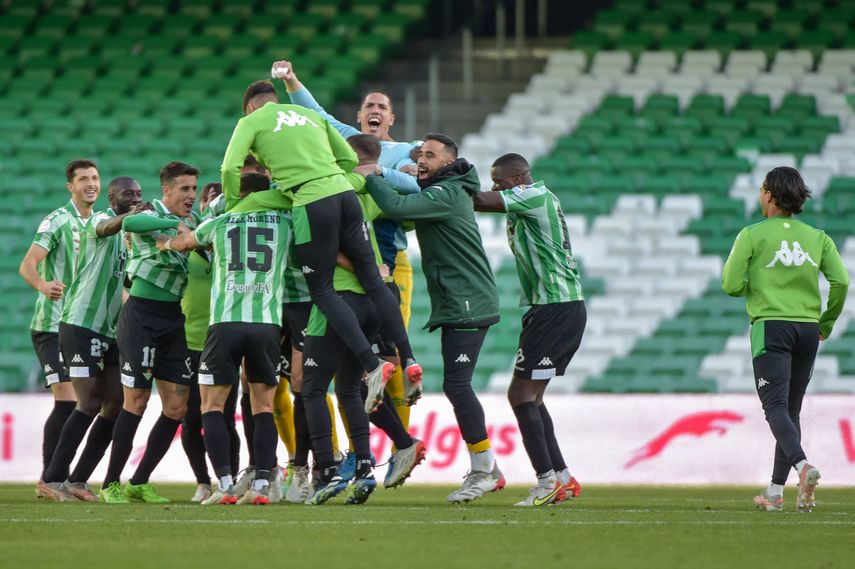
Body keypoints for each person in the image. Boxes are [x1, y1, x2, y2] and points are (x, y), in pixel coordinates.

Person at [221, 79, 421, 410]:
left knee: (323, 290)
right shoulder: (307, 115)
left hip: (311, 201)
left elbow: (229, 167)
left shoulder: (251, 122)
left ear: (250, 107)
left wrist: (231, 205)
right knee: (373, 280)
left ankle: (373, 367)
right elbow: (345, 155)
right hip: (344, 194)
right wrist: (335, 180)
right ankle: (410, 358)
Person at [362, 134, 504, 503]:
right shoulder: (445, 189)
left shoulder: (446, 194)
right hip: (460, 301)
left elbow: (396, 206)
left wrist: (371, 176)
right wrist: (383, 170)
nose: (422, 160)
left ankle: (482, 470)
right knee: (458, 385)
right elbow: (407, 192)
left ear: (449, 161)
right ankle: (490, 466)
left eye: (431, 155)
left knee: (458, 386)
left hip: (468, 301)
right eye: (420, 153)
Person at [280, 60, 423, 427]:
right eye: (369, 107)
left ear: (392, 118)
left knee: (384, 351)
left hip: (388, 258)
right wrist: (293, 81)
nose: (375, 111)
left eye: (382, 108)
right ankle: (365, 454)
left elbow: (419, 185)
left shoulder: (408, 150)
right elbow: (315, 112)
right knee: (350, 368)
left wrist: (382, 171)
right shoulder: (346, 140)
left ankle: (400, 437)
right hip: (351, 259)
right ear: (359, 117)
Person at [302, 137, 424, 505]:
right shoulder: (367, 193)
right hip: (376, 299)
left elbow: (328, 247)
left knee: (311, 388)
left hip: (340, 300)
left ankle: (326, 471)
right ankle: (366, 469)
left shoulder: (326, 193)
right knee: (349, 389)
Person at [722, 166, 849, 512]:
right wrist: (827, 322)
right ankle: (776, 492)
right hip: (808, 328)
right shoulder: (818, 237)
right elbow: (841, 283)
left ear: (768, 194)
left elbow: (731, 284)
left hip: (771, 326)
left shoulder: (752, 234)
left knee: (774, 407)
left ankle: (802, 466)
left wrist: (756, 287)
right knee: (791, 410)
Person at [160, 172, 290, 506]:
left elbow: (184, 243)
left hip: (225, 323)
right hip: (266, 324)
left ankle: (227, 484)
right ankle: (262, 484)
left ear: (238, 195)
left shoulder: (220, 222)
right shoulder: (285, 223)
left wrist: (165, 242)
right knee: (263, 406)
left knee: (211, 406)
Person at [472, 153, 585, 506]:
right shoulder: (530, 202)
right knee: (532, 396)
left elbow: (478, 200)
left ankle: (546, 481)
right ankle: (562, 477)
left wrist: (450, 176)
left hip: (556, 307)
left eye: (500, 181)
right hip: (553, 307)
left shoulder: (535, 195)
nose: (495, 187)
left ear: (519, 178)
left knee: (520, 395)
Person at [37, 177, 146, 501]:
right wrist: (131, 215)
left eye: (139, 195)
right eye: (129, 194)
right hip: (81, 324)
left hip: (111, 330)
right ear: (113, 197)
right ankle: (52, 479)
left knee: (115, 404)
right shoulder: (99, 221)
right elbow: (107, 228)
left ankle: (78, 480)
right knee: (89, 401)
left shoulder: (127, 236)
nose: (135, 198)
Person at [98, 161, 199, 504]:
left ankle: (139, 481)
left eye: (194, 189)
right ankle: (110, 482)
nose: (191, 196)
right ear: (167, 190)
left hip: (173, 319)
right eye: (184, 189)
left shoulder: (195, 223)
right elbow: (130, 222)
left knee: (176, 407)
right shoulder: (149, 211)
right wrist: (176, 224)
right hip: (140, 316)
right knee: (136, 402)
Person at [19, 159, 98, 497]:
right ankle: (48, 478)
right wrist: (41, 285)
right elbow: (28, 264)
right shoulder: (57, 220)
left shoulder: (102, 222)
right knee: (67, 400)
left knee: (85, 403)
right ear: (71, 186)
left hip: (82, 326)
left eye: (95, 178)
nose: (90, 184)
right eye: (83, 179)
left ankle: (61, 477)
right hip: (50, 326)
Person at [180, 182, 241, 503]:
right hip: (189, 340)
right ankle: (203, 481)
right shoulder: (191, 238)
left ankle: (227, 479)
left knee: (224, 416)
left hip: (221, 336)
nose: (207, 202)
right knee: (191, 420)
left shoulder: (228, 237)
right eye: (205, 197)